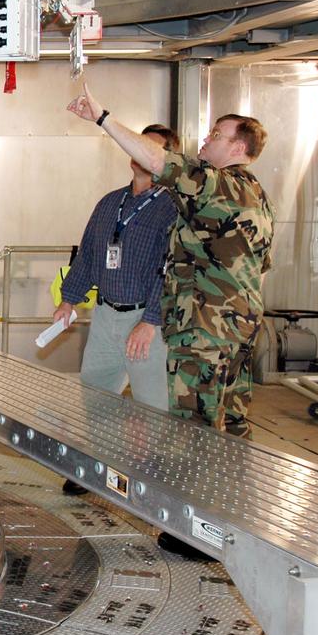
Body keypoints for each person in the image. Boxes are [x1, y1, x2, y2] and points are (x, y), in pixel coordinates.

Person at [67, 84, 274, 441]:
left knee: (192, 432)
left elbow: (160, 163)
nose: (206, 141)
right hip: (234, 331)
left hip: (206, 336)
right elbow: (263, 268)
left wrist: (102, 117)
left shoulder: (219, 186)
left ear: (238, 148)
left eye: (216, 135)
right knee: (231, 428)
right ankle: (225, 492)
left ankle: (188, 495)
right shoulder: (253, 194)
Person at [53, 124, 179, 495]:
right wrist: (69, 298)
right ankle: (95, 470)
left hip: (146, 323)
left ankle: (157, 486)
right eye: (137, 145)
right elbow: (89, 254)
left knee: (153, 406)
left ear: (165, 160)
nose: (140, 152)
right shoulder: (110, 203)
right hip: (107, 316)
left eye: (150, 148)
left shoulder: (173, 209)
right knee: (97, 395)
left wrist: (151, 320)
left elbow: (169, 270)